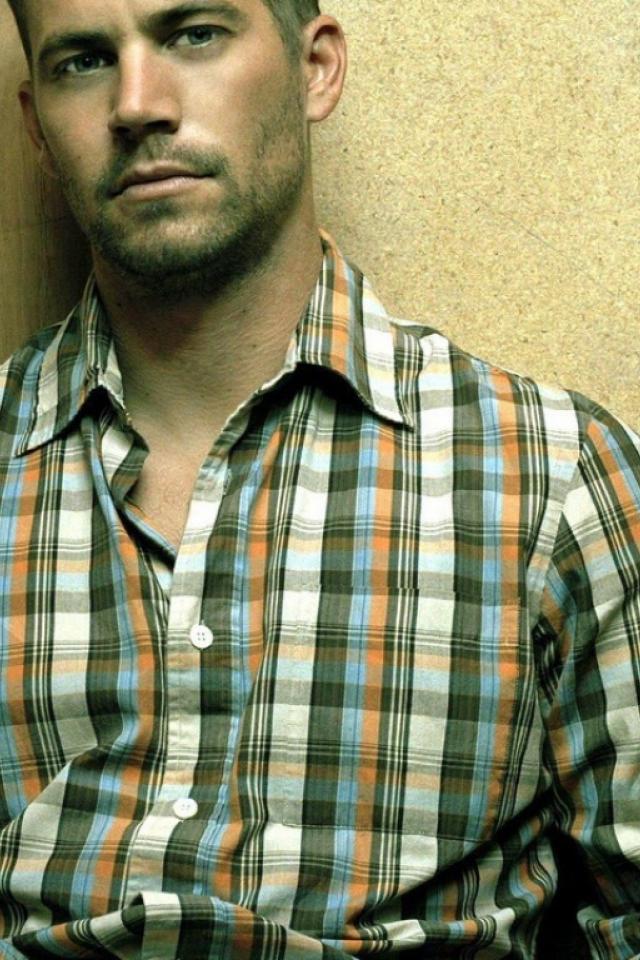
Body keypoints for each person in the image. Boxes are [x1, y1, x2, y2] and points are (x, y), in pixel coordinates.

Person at [0, 0, 638, 957]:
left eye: (194, 34)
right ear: (37, 128)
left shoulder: (552, 476)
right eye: (84, 61)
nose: (136, 103)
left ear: (317, 68)